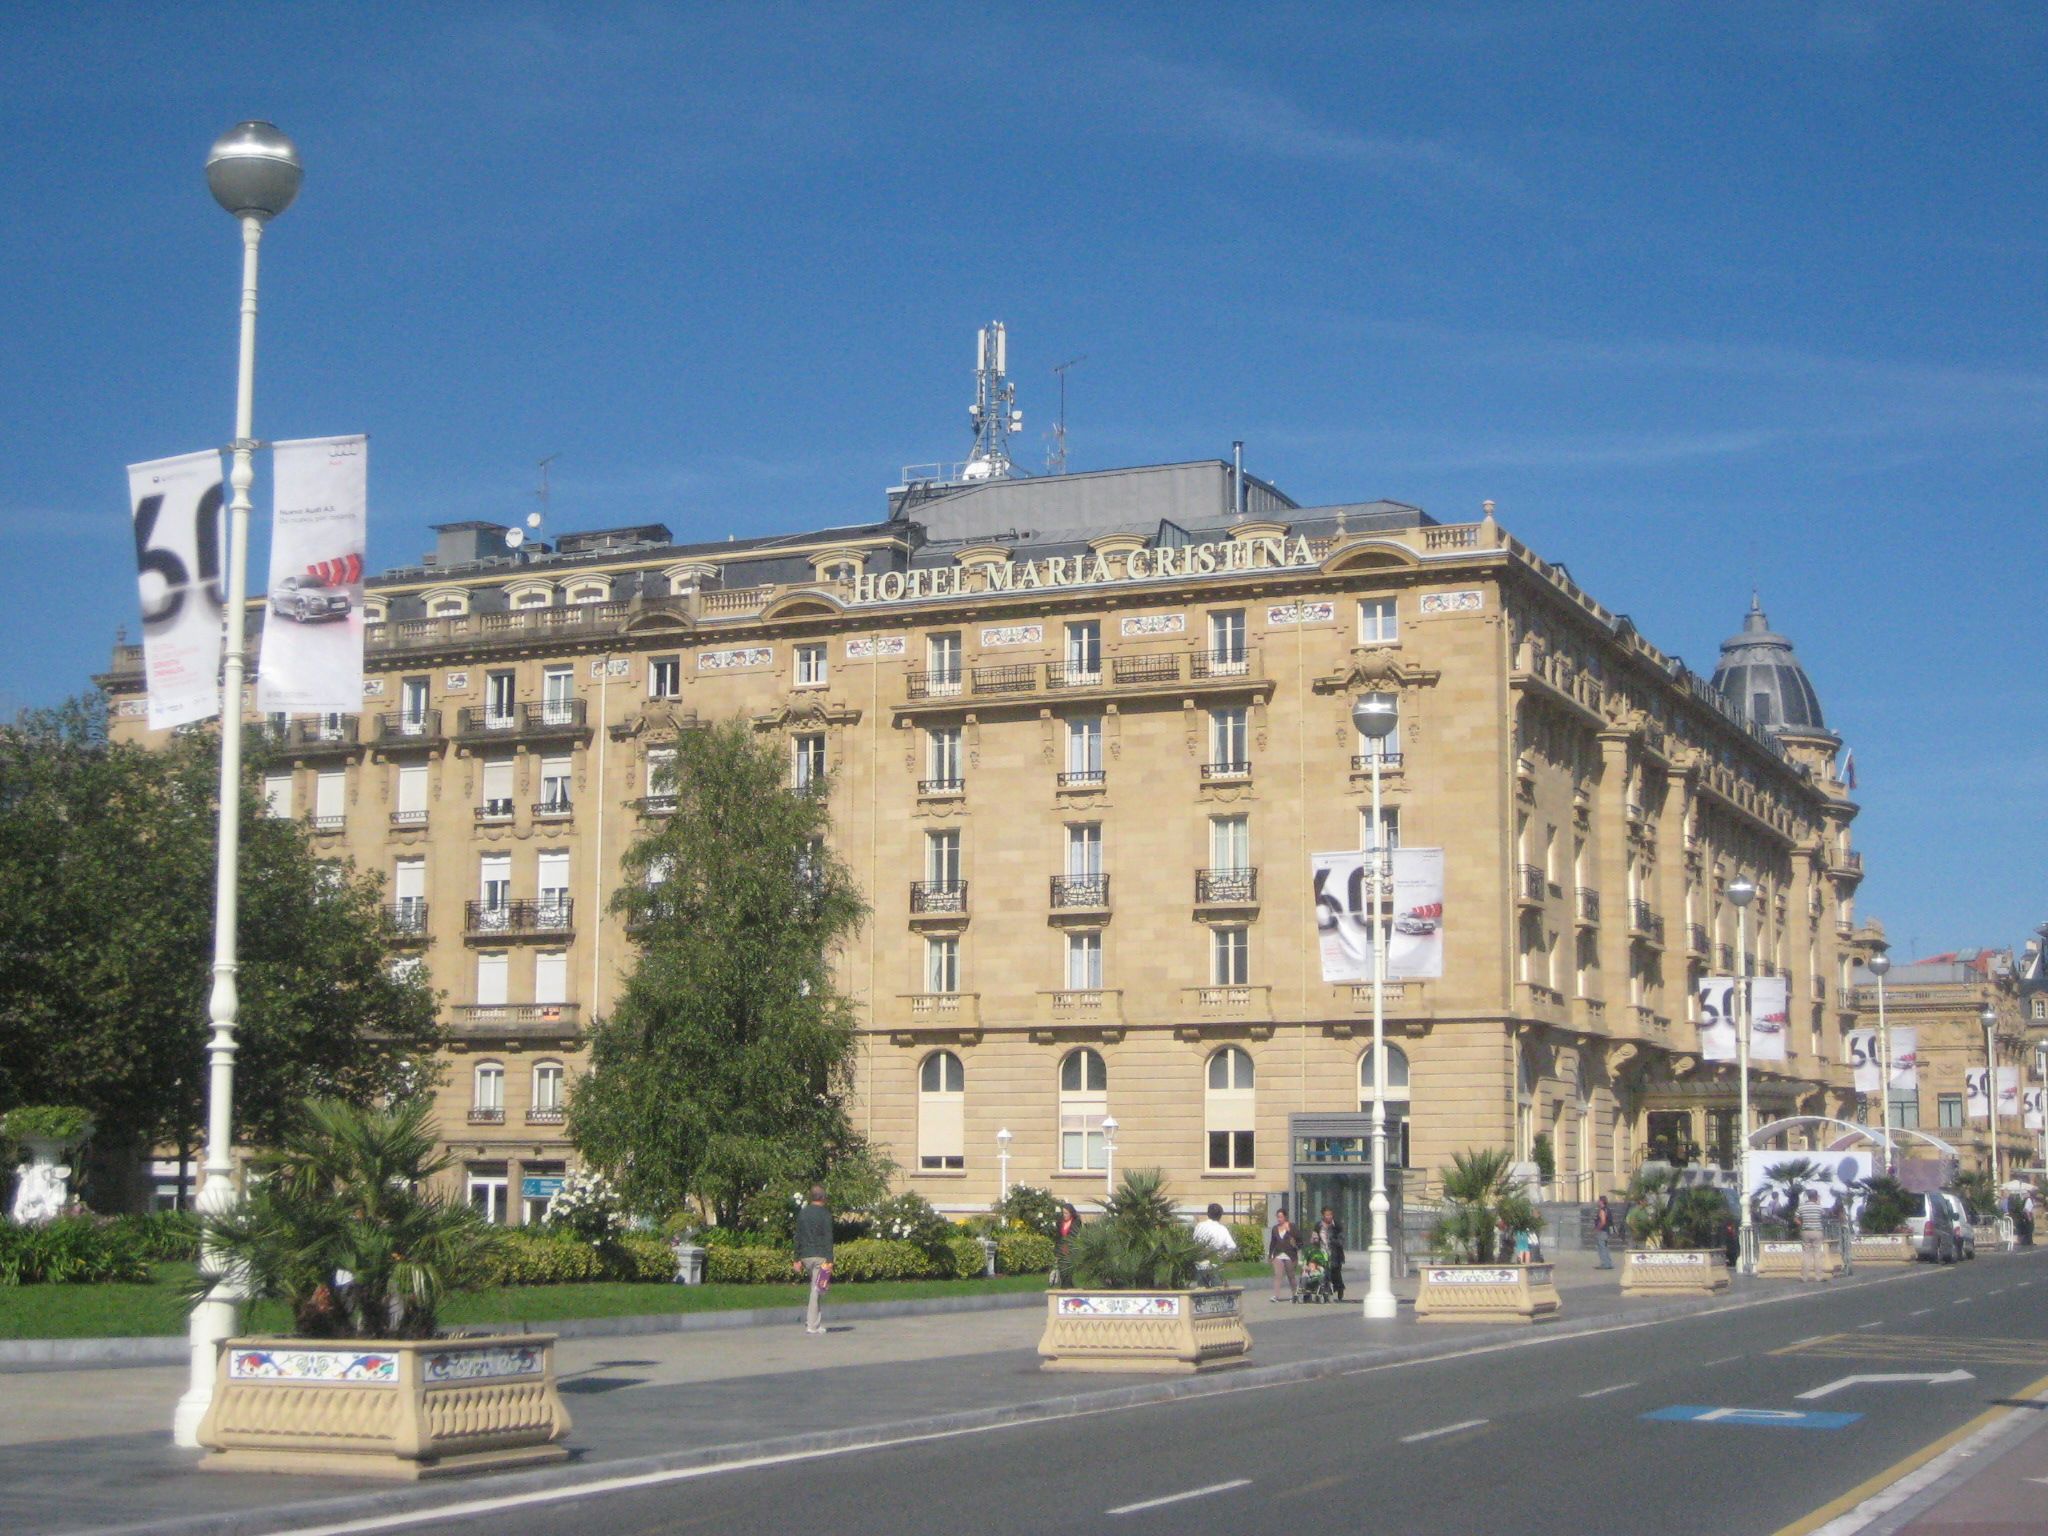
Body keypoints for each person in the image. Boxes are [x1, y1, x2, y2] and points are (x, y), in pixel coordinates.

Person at [793, 1184, 834, 1333]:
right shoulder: (825, 1214)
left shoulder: (803, 1213)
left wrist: (796, 1258)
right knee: (817, 1290)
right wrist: (830, 1260)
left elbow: (798, 1236)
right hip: (820, 1256)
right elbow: (828, 1238)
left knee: (816, 1288)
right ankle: (812, 1325)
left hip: (806, 1255)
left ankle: (814, 1321)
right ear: (823, 1197)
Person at [1798, 1185, 1828, 1283]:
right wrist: (1818, 1202)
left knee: (1806, 1254)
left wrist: (1802, 1224)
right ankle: (1819, 1277)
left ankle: (1804, 1277)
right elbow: (1824, 1215)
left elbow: (1795, 1218)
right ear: (1815, 1197)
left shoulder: (1801, 1207)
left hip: (1805, 1231)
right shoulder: (1818, 1207)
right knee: (1817, 1254)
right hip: (1817, 1231)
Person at [1268, 1210, 1300, 1302]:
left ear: (1285, 1217)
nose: (1279, 1219)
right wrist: (1270, 1255)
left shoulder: (1292, 1226)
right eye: (1278, 1217)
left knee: (1291, 1275)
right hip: (1278, 1254)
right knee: (1277, 1275)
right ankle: (1276, 1296)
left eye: (1281, 1217)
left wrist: (1289, 1231)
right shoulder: (1275, 1228)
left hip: (1290, 1254)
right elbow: (1273, 1242)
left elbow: (1299, 1238)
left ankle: (1295, 1294)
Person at [1316, 1207, 1346, 1301]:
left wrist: (1333, 1240)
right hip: (1322, 1252)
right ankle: (1325, 1292)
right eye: (1327, 1215)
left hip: (1335, 1253)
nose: (1329, 1217)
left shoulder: (1336, 1226)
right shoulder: (1319, 1225)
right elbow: (1315, 1236)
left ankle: (1339, 1288)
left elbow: (1341, 1241)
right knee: (1324, 1273)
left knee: (1335, 1273)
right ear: (1323, 1215)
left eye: (1330, 1215)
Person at [1052, 1202, 1081, 1286]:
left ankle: (1068, 1286)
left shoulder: (1076, 1221)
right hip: (1061, 1248)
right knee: (1062, 1269)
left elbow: (1073, 1235)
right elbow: (1058, 1237)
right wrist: (1056, 1251)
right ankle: (1064, 1286)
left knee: (1067, 1270)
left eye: (1066, 1213)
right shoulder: (1060, 1222)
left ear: (1071, 1213)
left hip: (1070, 1248)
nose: (1064, 1215)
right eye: (1063, 1213)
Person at [1593, 1195, 1614, 1270]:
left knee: (1602, 1248)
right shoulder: (1608, 1209)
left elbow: (1603, 1221)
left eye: (1598, 1201)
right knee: (1605, 1247)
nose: (1597, 1202)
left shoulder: (1602, 1210)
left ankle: (1605, 1264)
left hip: (1602, 1231)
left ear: (1601, 1201)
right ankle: (1608, 1263)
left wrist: (1597, 1229)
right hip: (1607, 1231)